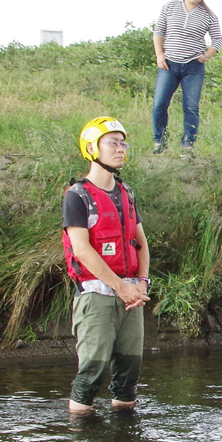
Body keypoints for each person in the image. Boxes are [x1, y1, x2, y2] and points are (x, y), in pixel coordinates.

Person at [64, 117, 151, 415]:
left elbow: (141, 243)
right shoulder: (78, 196)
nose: (121, 149)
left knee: (129, 376)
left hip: (131, 294)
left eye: (123, 143)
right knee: (93, 373)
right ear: (91, 148)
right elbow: (82, 250)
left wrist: (142, 282)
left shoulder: (127, 192)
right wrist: (121, 287)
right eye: (112, 143)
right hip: (96, 295)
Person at [150, 0, 222, 153]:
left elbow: (218, 40)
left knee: (191, 107)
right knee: (160, 103)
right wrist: (159, 55)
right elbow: (159, 31)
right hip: (169, 65)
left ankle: (188, 146)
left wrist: (205, 57)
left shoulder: (209, 15)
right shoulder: (170, 7)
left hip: (193, 67)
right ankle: (160, 142)